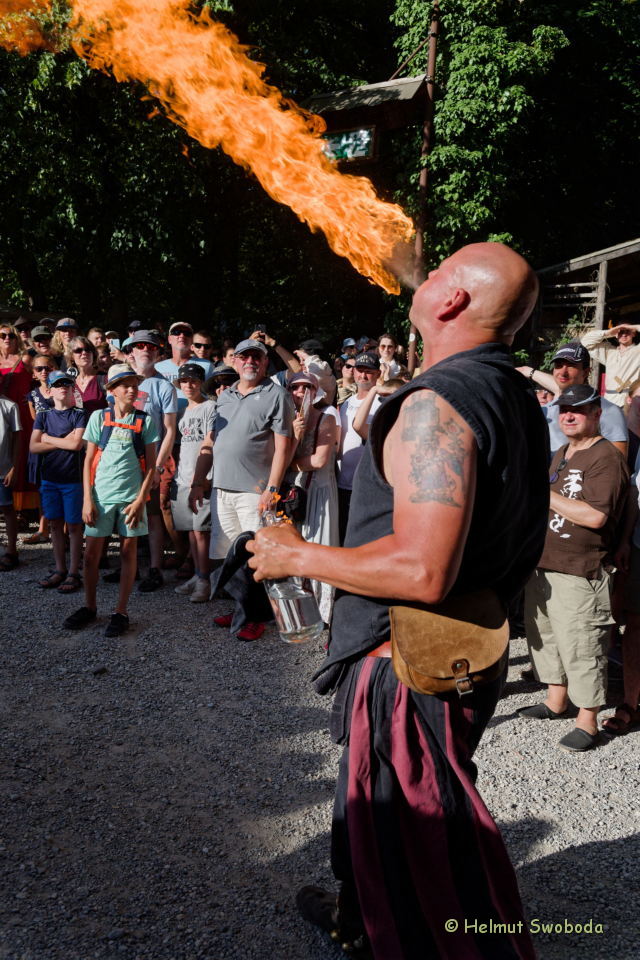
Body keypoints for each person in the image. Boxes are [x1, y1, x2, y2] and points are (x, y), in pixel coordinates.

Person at [247, 241, 549, 960]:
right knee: (378, 811)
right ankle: (358, 917)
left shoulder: (437, 405)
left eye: (439, 271)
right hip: (456, 650)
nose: (424, 273)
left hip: (408, 662)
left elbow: (422, 570)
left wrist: (295, 556)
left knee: (426, 841)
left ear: (452, 300)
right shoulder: (508, 389)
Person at [519, 384, 629, 750]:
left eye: (577, 409)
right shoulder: (562, 452)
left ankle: (588, 721)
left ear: (596, 414)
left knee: (583, 645)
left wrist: (542, 494)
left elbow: (596, 516)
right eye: (564, 409)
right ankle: (556, 700)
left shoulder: (606, 456)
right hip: (546, 562)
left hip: (581, 567)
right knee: (548, 638)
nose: (568, 415)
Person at [190, 338, 294, 642]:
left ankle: (258, 617)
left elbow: (283, 447)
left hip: (255, 490)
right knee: (231, 557)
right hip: (222, 488)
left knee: (257, 555)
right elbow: (211, 442)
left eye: (256, 357)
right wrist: (199, 482)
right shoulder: (225, 396)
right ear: (234, 361)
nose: (250, 361)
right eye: (244, 356)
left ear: (265, 362)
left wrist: (272, 488)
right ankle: (241, 610)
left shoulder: (277, 394)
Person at [64, 364, 158, 637]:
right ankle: (89, 607)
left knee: (128, 553)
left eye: (134, 385)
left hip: (131, 500)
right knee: (91, 556)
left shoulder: (145, 421)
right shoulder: (99, 417)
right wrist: (87, 499)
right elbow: (87, 461)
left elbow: (151, 466)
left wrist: (140, 501)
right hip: (101, 498)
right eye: (125, 385)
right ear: (112, 390)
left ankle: (121, 611)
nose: (132, 389)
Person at [286, 371, 339, 624]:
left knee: (318, 545)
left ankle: (322, 612)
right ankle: (297, 610)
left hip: (318, 490)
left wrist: (287, 464)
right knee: (293, 545)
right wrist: (294, 437)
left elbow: (319, 460)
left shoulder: (326, 417)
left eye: (306, 387)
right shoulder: (285, 418)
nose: (300, 392)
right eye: (295, 387)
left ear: (315, 391)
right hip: (292, 491)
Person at [127, 330, 179, 591]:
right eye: (140, 346)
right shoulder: (121, 381)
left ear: (158, 353)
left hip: (150, 460)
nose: (145, 350)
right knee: (126, 510)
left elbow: (170, 430)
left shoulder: (163, 386)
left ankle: (155, 568)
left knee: (153, 514)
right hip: (124, 460)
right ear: (131, 352)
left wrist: (158, 466)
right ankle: (129, 566)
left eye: (150, 346)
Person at [519, 341, 628, 457]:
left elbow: (618, 459)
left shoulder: (608, 410)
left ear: (586, 372)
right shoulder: (546, 410)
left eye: (571, 365)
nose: (563, 372)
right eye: (558, 365)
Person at [30, 371, 86, 593]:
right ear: (50, 391)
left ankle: (73, 572)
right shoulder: (43, 416)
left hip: (73, 479)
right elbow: (34, 447)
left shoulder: (79, 414)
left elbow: (77, 445)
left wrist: (47, 438)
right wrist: (64, 440)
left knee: (74, 526)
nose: (63, 387)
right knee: (54, 524)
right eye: (58, 384)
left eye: (67, 384)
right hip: (50, 479)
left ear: (72, 389)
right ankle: (60, 569)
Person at [171, 363, 217, 604]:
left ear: (201, 382)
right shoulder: (181, 411)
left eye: (193, 380)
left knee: (202, 532)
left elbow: (210, 441)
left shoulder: (210, 407)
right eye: (184, 381)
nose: (188, 385)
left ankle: (205, 580)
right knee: (191, 530)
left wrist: (204, 477)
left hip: (202, 477)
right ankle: (198, 575)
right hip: (183, 476)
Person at [336, 351, 382, 543]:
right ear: (354, 372)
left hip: (366, 485)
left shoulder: (382, 402)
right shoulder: (347, 402)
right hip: (341, 482)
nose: (363, 375)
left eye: (368, 371)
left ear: (378, 374)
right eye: (360, 370)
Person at [0, 322, 38, 514]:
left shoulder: (25, 359)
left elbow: (42, 375)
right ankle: (5, 504)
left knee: (21, 455)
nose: (7, 338)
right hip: (1, 413)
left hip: (21, 413)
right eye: (3, 335)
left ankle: (22, 507)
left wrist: (34, 398)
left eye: (11, 335)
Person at [580, 321, 640, 408]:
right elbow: (585, 342)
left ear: (633, 334)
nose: (624, 334)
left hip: (631, 401)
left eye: (628, 331)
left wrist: (632, 327)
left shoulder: (638, 351)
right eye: (621, 332)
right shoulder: (609, 352)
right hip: (610, 400)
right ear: (616, 334)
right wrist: (609, 332)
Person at [155, 322, 214, 408]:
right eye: (176, 332)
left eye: (187, 333)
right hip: (165, 416)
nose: (182, 336)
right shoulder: (158, 367)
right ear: (169, 339)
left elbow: (213, 396)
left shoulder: (206, 366)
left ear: (191, 340)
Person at [0, 389, 22, 571]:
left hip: (3, 468)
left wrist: (13, 467)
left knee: (7, 508)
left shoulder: (10, 405)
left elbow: (17, 438)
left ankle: (12, 550)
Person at [67, 337, 108, 419]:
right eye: (78, 350)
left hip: (100, 426)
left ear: (93, 354)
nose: (84, 353)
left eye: (88, 349)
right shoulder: (69, 383)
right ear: (72, 357)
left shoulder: (105, 379)